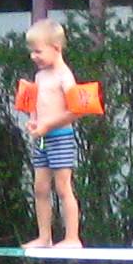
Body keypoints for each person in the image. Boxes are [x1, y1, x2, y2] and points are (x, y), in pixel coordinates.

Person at [22, 19, 84, 252]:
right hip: (43, 138)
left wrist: (48, 125)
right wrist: (34, 120)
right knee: (40, 188)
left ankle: (72, 238)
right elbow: (37, 104)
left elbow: (76, 111)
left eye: (38, 51)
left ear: (56, 48)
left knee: (63, 187)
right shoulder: (40, 76)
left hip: (60, 137)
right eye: (31, 51)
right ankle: (44, 237)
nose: (33, 56)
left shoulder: (64, 76)